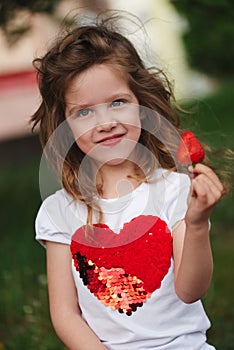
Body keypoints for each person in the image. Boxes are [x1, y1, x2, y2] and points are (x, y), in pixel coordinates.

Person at [32, 13, 228, 350]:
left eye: (118, 102)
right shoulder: (57, 212)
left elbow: (190, 290)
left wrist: (197, 225)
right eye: (84, 112)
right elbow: (65, 314)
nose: (105, 122)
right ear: (63, 126)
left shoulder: (175, 190)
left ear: (142, 105)